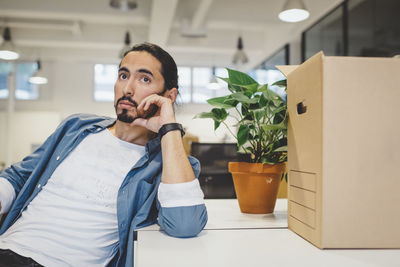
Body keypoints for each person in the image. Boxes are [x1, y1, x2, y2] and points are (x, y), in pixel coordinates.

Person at [0, 43, 208, 267]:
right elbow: (18, 177)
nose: (127, 88)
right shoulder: (76, 127)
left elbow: (185, 223)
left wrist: (169, 128)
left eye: (144, 79)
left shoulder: (166, 163)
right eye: (123, 75)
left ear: (169, 95)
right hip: (8, 249)